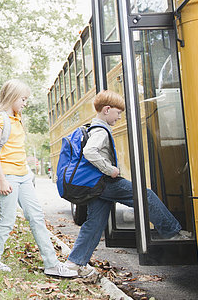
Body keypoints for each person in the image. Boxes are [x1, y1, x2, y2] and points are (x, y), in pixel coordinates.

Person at [58, 90, 190, 278]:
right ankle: (172, 232)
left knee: (94, 223)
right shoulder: (100, 131)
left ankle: (73, 264)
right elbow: (90, 152)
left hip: (96, 186)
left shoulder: (93, 128)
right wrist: (109, 169)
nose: (119, 117)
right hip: (104, 182)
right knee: (145, 195)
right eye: (118, 113)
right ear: (107, 110)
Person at [0, 79, 67, 276]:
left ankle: (52, 264)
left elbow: (17, 149)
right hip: (8, 177)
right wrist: (3, 180)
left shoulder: (18, 118)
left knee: (37, 217)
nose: (25, 103)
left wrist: (29, 173)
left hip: (23, 176)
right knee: (8, 220)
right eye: (23, 99)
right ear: (12, 97)